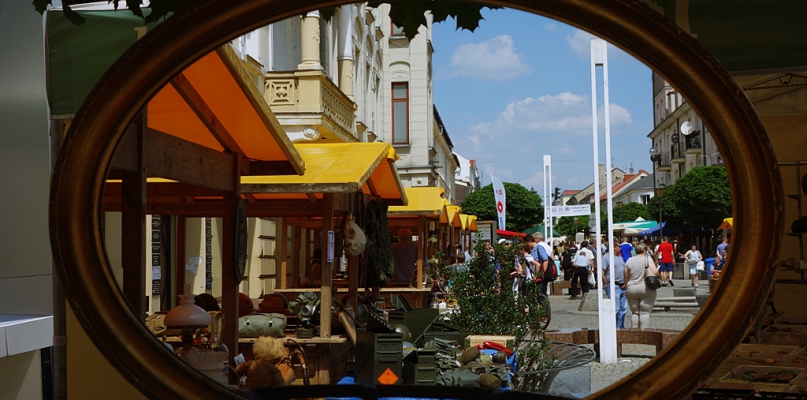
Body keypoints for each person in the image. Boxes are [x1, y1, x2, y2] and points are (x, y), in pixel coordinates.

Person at [623, 243, 659, 330]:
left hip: (632, 288)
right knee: (645, 313)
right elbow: (655, 272)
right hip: (645, 288)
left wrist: (625, 284)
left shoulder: (629, 260)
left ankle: (634, 333)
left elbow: (626, 275)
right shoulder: (647, 259)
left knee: (635, 313)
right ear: (645, 250)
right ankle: (643, 334)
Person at [602, 243, 627, 329]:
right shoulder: (606, 257)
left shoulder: (619, 257)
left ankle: (620, 326)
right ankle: (613, 328)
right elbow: (601, 271)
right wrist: (605, 282)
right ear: (613, 247)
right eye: (618, 246)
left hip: (622, 286)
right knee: (615, 308)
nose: (620, 248)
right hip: (613, 285)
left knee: (623, 308)